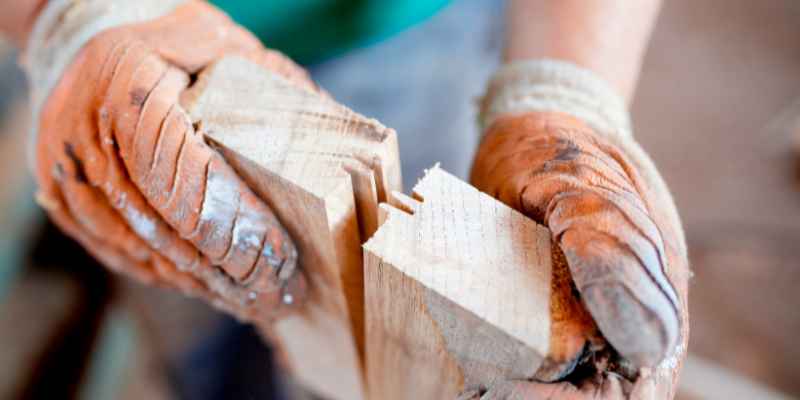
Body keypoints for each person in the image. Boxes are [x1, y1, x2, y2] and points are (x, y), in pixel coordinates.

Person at [0, 0, 688, 398]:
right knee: (196, 305)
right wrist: (62, 16)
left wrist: (567, 87)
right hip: (133, 33)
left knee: (436, 318)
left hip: (404, 29)